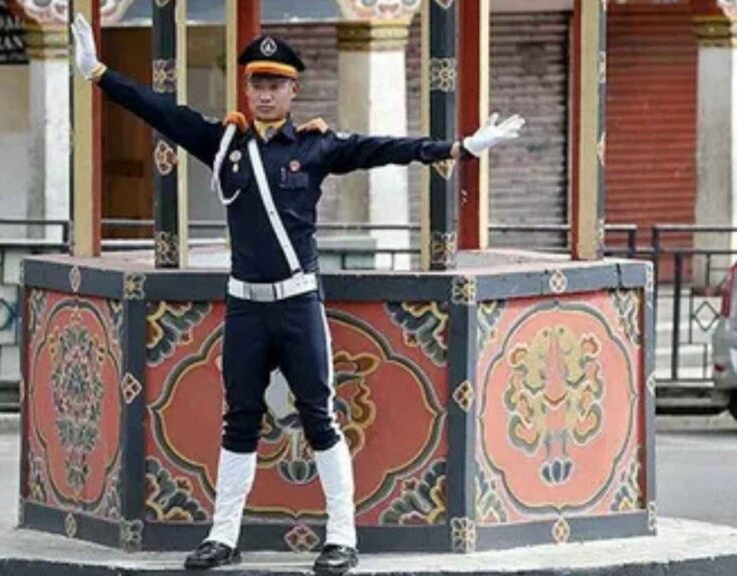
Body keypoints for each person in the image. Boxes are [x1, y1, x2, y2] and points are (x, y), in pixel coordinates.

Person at [71, 15, 524, 575]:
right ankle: (223, 536)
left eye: (275, 84)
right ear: (248, 89)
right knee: (238, 420)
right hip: (245, 306)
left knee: (319, 418)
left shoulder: (312, 148)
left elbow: (379, 148)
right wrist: (97, 73)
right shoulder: (224, 144)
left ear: (292, 90)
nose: (264, 93)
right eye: (256, 83)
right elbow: (160, 111)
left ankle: (341, 537)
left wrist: (457, 148)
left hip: (297, 304)